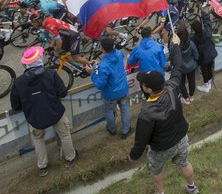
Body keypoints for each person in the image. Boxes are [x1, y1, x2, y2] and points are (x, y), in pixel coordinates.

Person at [128, 36, 199, 194]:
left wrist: (133, 156)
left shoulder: (147, 111)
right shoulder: (173, 86)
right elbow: (178, 66)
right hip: (181, 138)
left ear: (147, 88)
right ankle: (192, 187)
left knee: (156, 171)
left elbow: (141, 141)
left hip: (161, 148)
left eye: (143, 83)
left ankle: (161, 193)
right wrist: (175, 46)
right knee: (184, 163)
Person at [10, 46, 77, 177]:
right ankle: (70, 158)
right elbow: (62, 93)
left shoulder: (18, 82)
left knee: (38, 139)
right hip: (55, 112)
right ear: (39, 60)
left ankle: (42, 166)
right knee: (65, 134)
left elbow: (15, 105)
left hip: (35, 117)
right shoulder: (50, 74)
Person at [86, 38, 132, 138]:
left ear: (102, 49)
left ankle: (111, 129)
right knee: (125, 109)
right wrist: (98, 63)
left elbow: (99, 84)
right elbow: (112, 62)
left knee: (109, 111)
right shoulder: (119, 54)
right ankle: (126, 129)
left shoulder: (103, 65)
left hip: (110, 94)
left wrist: (92, 73)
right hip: (123, 89)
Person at [127, 26, 167, 95]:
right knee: (161, 95)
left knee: (148, 97)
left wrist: (129, 57)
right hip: (158, 76)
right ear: (151, 34)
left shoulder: (137, 48)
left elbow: (131, 62)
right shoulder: (158, 46)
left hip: (145, 79)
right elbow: (163, 63)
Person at [191, 10, 218, 93]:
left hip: (203, 58)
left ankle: (206, 85)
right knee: (209, 68)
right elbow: (208, 22)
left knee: (204, 70)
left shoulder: (193, 39)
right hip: (211, 53)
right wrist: (204, 14)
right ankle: (209, 83)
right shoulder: (207, 32)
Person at [176, 23, 199, 104]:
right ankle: (191, 96)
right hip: (191, 66)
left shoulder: (175, 47)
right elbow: (196, 55)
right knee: (191, 81)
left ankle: (186, 98)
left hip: (181, 68)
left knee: (181, 83)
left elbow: (172, 58)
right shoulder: (191, 44)